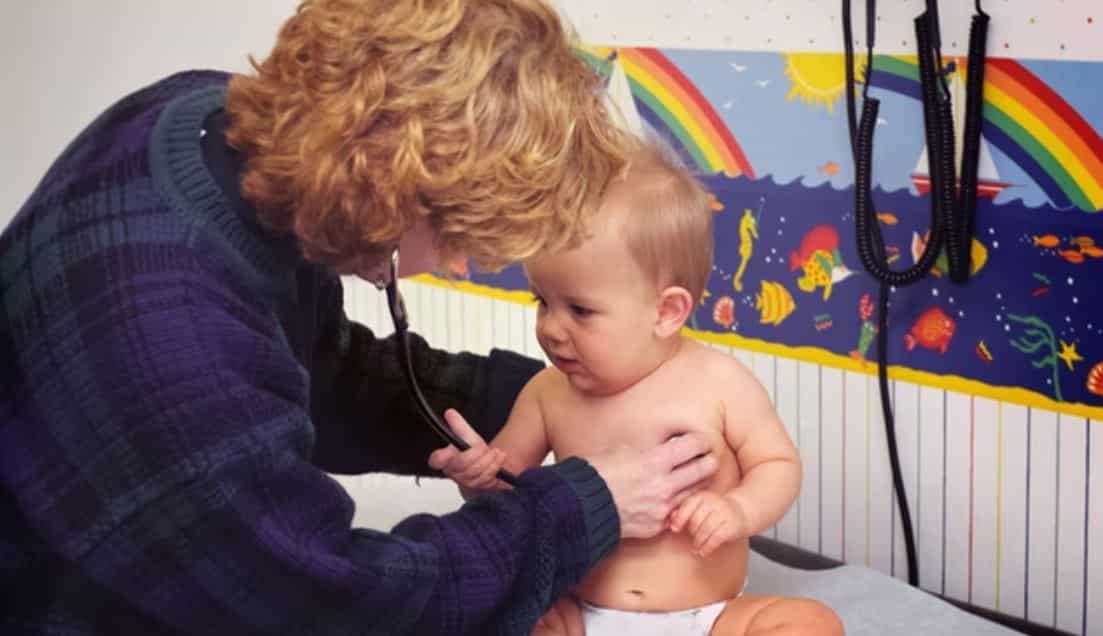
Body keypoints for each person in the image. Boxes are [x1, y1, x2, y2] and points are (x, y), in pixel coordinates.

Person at [0, 1, 720, 634]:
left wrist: (564, 398)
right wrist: (578, 506)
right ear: (388, 190)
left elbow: (315, 369)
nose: (459, 265)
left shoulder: (214, 122)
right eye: (458, 238)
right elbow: (335, 602)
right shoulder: (170, 338)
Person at [432, 142, 845, 635]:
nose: (551, 328)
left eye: (580, 310)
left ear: (666, 312)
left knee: (811, 623)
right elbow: (513, 493)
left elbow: (778, 466)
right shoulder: (546, 392)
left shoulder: (718, 381)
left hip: (708, 617)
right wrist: (477, 480)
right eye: (542, 301)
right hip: (581, 613)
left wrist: (738, 509)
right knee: (503, 613)